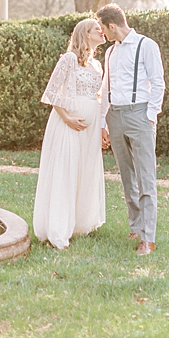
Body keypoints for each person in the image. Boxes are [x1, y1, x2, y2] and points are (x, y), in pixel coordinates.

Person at [96, 3, 165, 256]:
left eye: (103, 28)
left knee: (146, 177)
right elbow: (105, 87)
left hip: (140, 115)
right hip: (115, 115)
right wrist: (104, 122)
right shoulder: (110, 52)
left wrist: (149, 116)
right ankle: (135, 226)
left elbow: (158, 83)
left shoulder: (147, 45)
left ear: (112, 25)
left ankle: (148, 238)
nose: (102, 34)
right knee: (127, 177)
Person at [32, 18, 108, 250]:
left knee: (85, 171)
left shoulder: (97, 65)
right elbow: (51, 93)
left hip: (90, 127)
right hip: (67, 124)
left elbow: (97, 96)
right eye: (97, 29)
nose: (102, 31)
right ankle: (58, 230)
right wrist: (67, 118)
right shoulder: (69, 59)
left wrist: (102, 126)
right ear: (85, 33)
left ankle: (79, 223)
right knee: (66, 171)